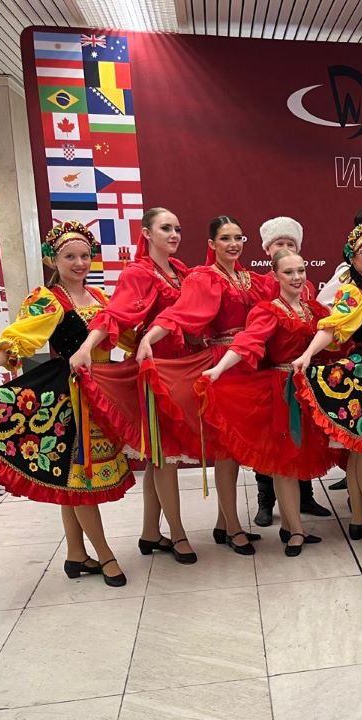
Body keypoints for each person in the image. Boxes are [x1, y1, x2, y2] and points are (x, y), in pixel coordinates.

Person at [0, 221, 131, 587]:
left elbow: (126, 331)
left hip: (102, 393)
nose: (79, 263)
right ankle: (106, 554)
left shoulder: (102, 299)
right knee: (79, 478)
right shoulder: (48, 300)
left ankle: (76, 555)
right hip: (69, 396)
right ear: (53, 259)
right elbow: (15, 340)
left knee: (69, 478)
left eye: (84, 256)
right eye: (70, 256)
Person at [68, 207, 198, 565]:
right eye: (166, 228)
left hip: (180, 368)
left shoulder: (181, 272)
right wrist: (85, 348)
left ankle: (150, 532)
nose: (174, 234)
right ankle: (178, 534)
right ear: (146, 233)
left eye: (178, 228)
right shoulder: (139, 273)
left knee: (161, 458)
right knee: (165, 456)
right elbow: (117, 314)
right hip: (155, 370)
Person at [136, 215, 268, 555]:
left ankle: (224, 523)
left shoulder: (248, 279)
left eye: (239, 237)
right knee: (224, 449)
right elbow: (183, 313)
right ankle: (234, 525)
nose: (233, 244)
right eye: (225, 238)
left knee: (235, 450)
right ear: (212, 244)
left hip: (246, 365)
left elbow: (279, 299)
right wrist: (151, 336)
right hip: (221, 369)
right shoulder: (206, 278)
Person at [199, 249, 336, 556]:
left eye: (301, 270)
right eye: (289, 272)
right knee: (284, 463)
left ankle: (290, 525)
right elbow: (249, 341)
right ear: (275, 276)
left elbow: (333, 331)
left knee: (296, 459)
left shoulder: (313, 310)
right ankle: (296, 531)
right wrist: (220, 368)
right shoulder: (268, 311)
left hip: (305, 391)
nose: (297, 277)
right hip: (280, 392)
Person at [293, 223, 362, 549]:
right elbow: (331, 327)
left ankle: (356, 519)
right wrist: (308, 353)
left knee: (358, 454)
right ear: (351, 258)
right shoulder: (352, 293)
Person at [253, 215, 332, 526]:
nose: (284, 249)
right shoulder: (260, 285)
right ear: (267, 250)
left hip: (303, 375)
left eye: (290, 244)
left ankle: (306, 496)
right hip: (272, 372)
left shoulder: (307, 286)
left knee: (304, 438)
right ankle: (264, 500)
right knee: (274, 441)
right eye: (279, 244)